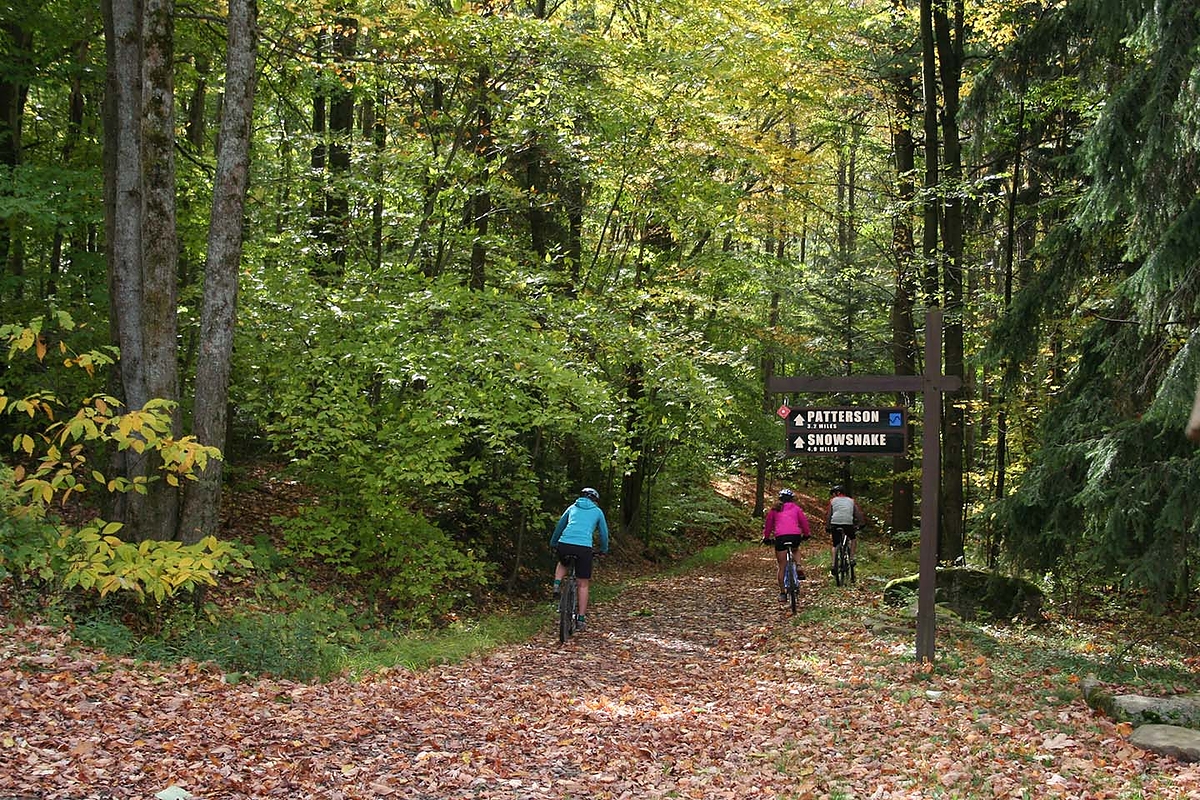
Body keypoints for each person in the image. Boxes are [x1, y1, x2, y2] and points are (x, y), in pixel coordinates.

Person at [550, 487, 610, 632]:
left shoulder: (572, 507)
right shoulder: (597, 512)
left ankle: (556, 584)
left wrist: (553, 543)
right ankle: (581, 619)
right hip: (583, 548)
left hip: (565, 544)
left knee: (563, 562)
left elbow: (560, 526)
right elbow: (604, 533)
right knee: (583, 584)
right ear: (595, 500)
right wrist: (603, 549)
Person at [762, 488, 811, 602]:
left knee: (782, 566)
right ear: (792, 499)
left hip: (781, 537)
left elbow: (768, 525)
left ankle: (782, 593)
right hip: (794, 536)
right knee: (795, 549)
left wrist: (766, 538)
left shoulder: (774, 509)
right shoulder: (796, 508)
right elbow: (804, 522)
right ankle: (798, 565)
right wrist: (806, 534)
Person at [826, 484, 865, 574]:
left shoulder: (832, 501)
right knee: (853, 539)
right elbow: (858, 513)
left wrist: (828, 526)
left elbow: (829, 515)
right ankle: (851, 559)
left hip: (835, 523)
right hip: (848, 523)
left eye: (833, 493)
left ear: (838, 493)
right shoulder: (851, 501)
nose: (833, 496)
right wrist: (861, 523)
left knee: (835, 545)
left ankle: (833, 564)